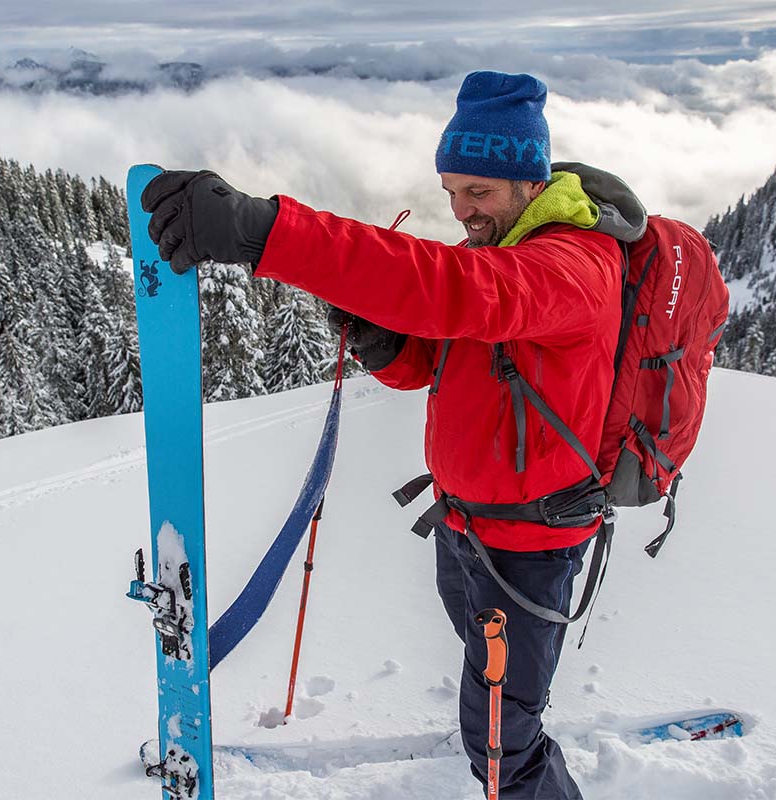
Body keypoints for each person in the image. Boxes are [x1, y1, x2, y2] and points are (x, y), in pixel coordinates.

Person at [141, 70, 647, 799]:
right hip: (465, 527)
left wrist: (267, 232)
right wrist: (388, 346)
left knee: (501, 745)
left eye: (479, 192)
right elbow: (444, 360)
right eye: (451, 191)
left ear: (530, 182)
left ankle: (513, 750)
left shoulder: (571, 264)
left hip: (528, 546)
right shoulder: (509, 244)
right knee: (492, 686)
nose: (461, 210)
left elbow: (458, 292)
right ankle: (504, 712)